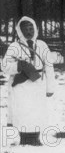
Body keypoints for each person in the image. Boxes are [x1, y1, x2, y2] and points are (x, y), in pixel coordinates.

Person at [4, 17, 55, 145]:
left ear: (35, 29)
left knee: (36, 111)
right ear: (20, 31)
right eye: (25, 28)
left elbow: (49, 67)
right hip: (21, 85)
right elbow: (4, 66)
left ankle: (36, 138)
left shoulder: (42, 45)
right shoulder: (14, 46)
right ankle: (25, 139)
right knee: (24, 111)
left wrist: (50, 88)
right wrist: (18, 66)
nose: (29, 31)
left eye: (31, 28)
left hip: (37, 82)